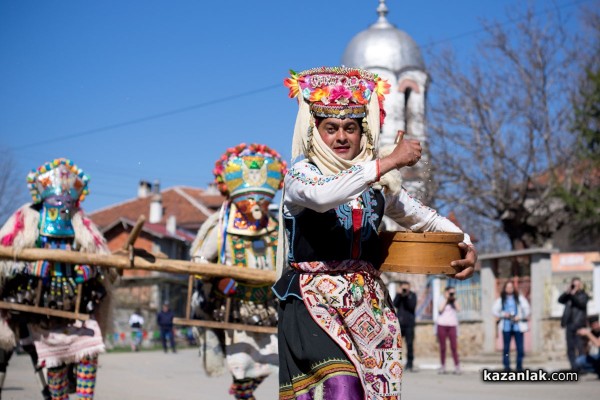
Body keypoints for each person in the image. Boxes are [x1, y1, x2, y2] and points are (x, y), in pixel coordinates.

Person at [273, 66, 477, 399]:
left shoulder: (380, 184)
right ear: (315, 131)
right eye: (331, 128)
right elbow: (324, 197)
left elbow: (422, 217)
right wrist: (389, 162)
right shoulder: (301, 176)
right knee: (343, 386)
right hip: (312, 301)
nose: (341, 137)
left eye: (350, 128)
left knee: (371, 392)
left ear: (361, 132)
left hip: (367, 303)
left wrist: (466, 243)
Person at [0, 158, 114, 400]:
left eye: (65, 205)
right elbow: (5, 259)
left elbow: (103, 261)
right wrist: (27, 269)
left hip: (80, 307)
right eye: (54, 205)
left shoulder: (82, 223)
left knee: (88, 359)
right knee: (56, 375)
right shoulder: (26, 219)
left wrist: (90, 271)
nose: (61, 210)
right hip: (42, 313)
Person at [190, 143, 285, 400]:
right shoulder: (222, 226)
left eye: (262, 199)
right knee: (242, 364)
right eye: (250, 198)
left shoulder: (276, 228)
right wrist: (218, 279)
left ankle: (241, 393)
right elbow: (198, 259)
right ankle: (242, 393)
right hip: (235, 309)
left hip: (268, 309)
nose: (256, 204)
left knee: (271, 362)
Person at [492, 281, 531, 371]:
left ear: (513, 288)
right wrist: (503, 314)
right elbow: (494, 310)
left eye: (511, 287)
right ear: (505, 289)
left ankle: (519, 365)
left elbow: (527, 309)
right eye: (507, 287)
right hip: (506, 327)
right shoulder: (501, 299)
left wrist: (520, 317)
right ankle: (506, 366)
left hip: (518, 327)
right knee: (506, 348)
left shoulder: (519, 298)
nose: (509, 289)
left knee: (520, 348)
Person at [558, 277, 589, 371]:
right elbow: (560, 300)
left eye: (577, 285)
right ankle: (574, 367)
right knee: (570, 347)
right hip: (569, 324)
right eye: (573, 285)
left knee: (580, 346)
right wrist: (567, 292)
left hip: (579, 324)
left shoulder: (583, 295)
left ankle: (582, 367)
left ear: (580, 285)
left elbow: (581, 304)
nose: (575, 287)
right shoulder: (569, 296)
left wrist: (572, 294)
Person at [436, 286, 461, 375]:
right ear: (446, 292)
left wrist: (453, 300)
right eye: (450, 293)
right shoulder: (441, 299)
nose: (451, 294)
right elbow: (440, 309)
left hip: (452, 325)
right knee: (443, 347)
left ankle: (457, 366)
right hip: (441, 325)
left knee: (454, 347)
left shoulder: (454, 300)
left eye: (453, 293)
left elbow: (458, 309)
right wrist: (446, 299)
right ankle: (443, 366)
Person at [393, 281, 417, 371]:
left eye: (406, 288)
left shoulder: (412, 295)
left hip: (409, 324)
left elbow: (412, 306)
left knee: (409, 344)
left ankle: (410, 364)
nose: (405, 290)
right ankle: (396, 362)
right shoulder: (399, 295)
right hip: (400, 324)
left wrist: (406, 296)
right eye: (403, 288)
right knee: (397, 344)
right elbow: (394, 304)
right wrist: (399, 295)